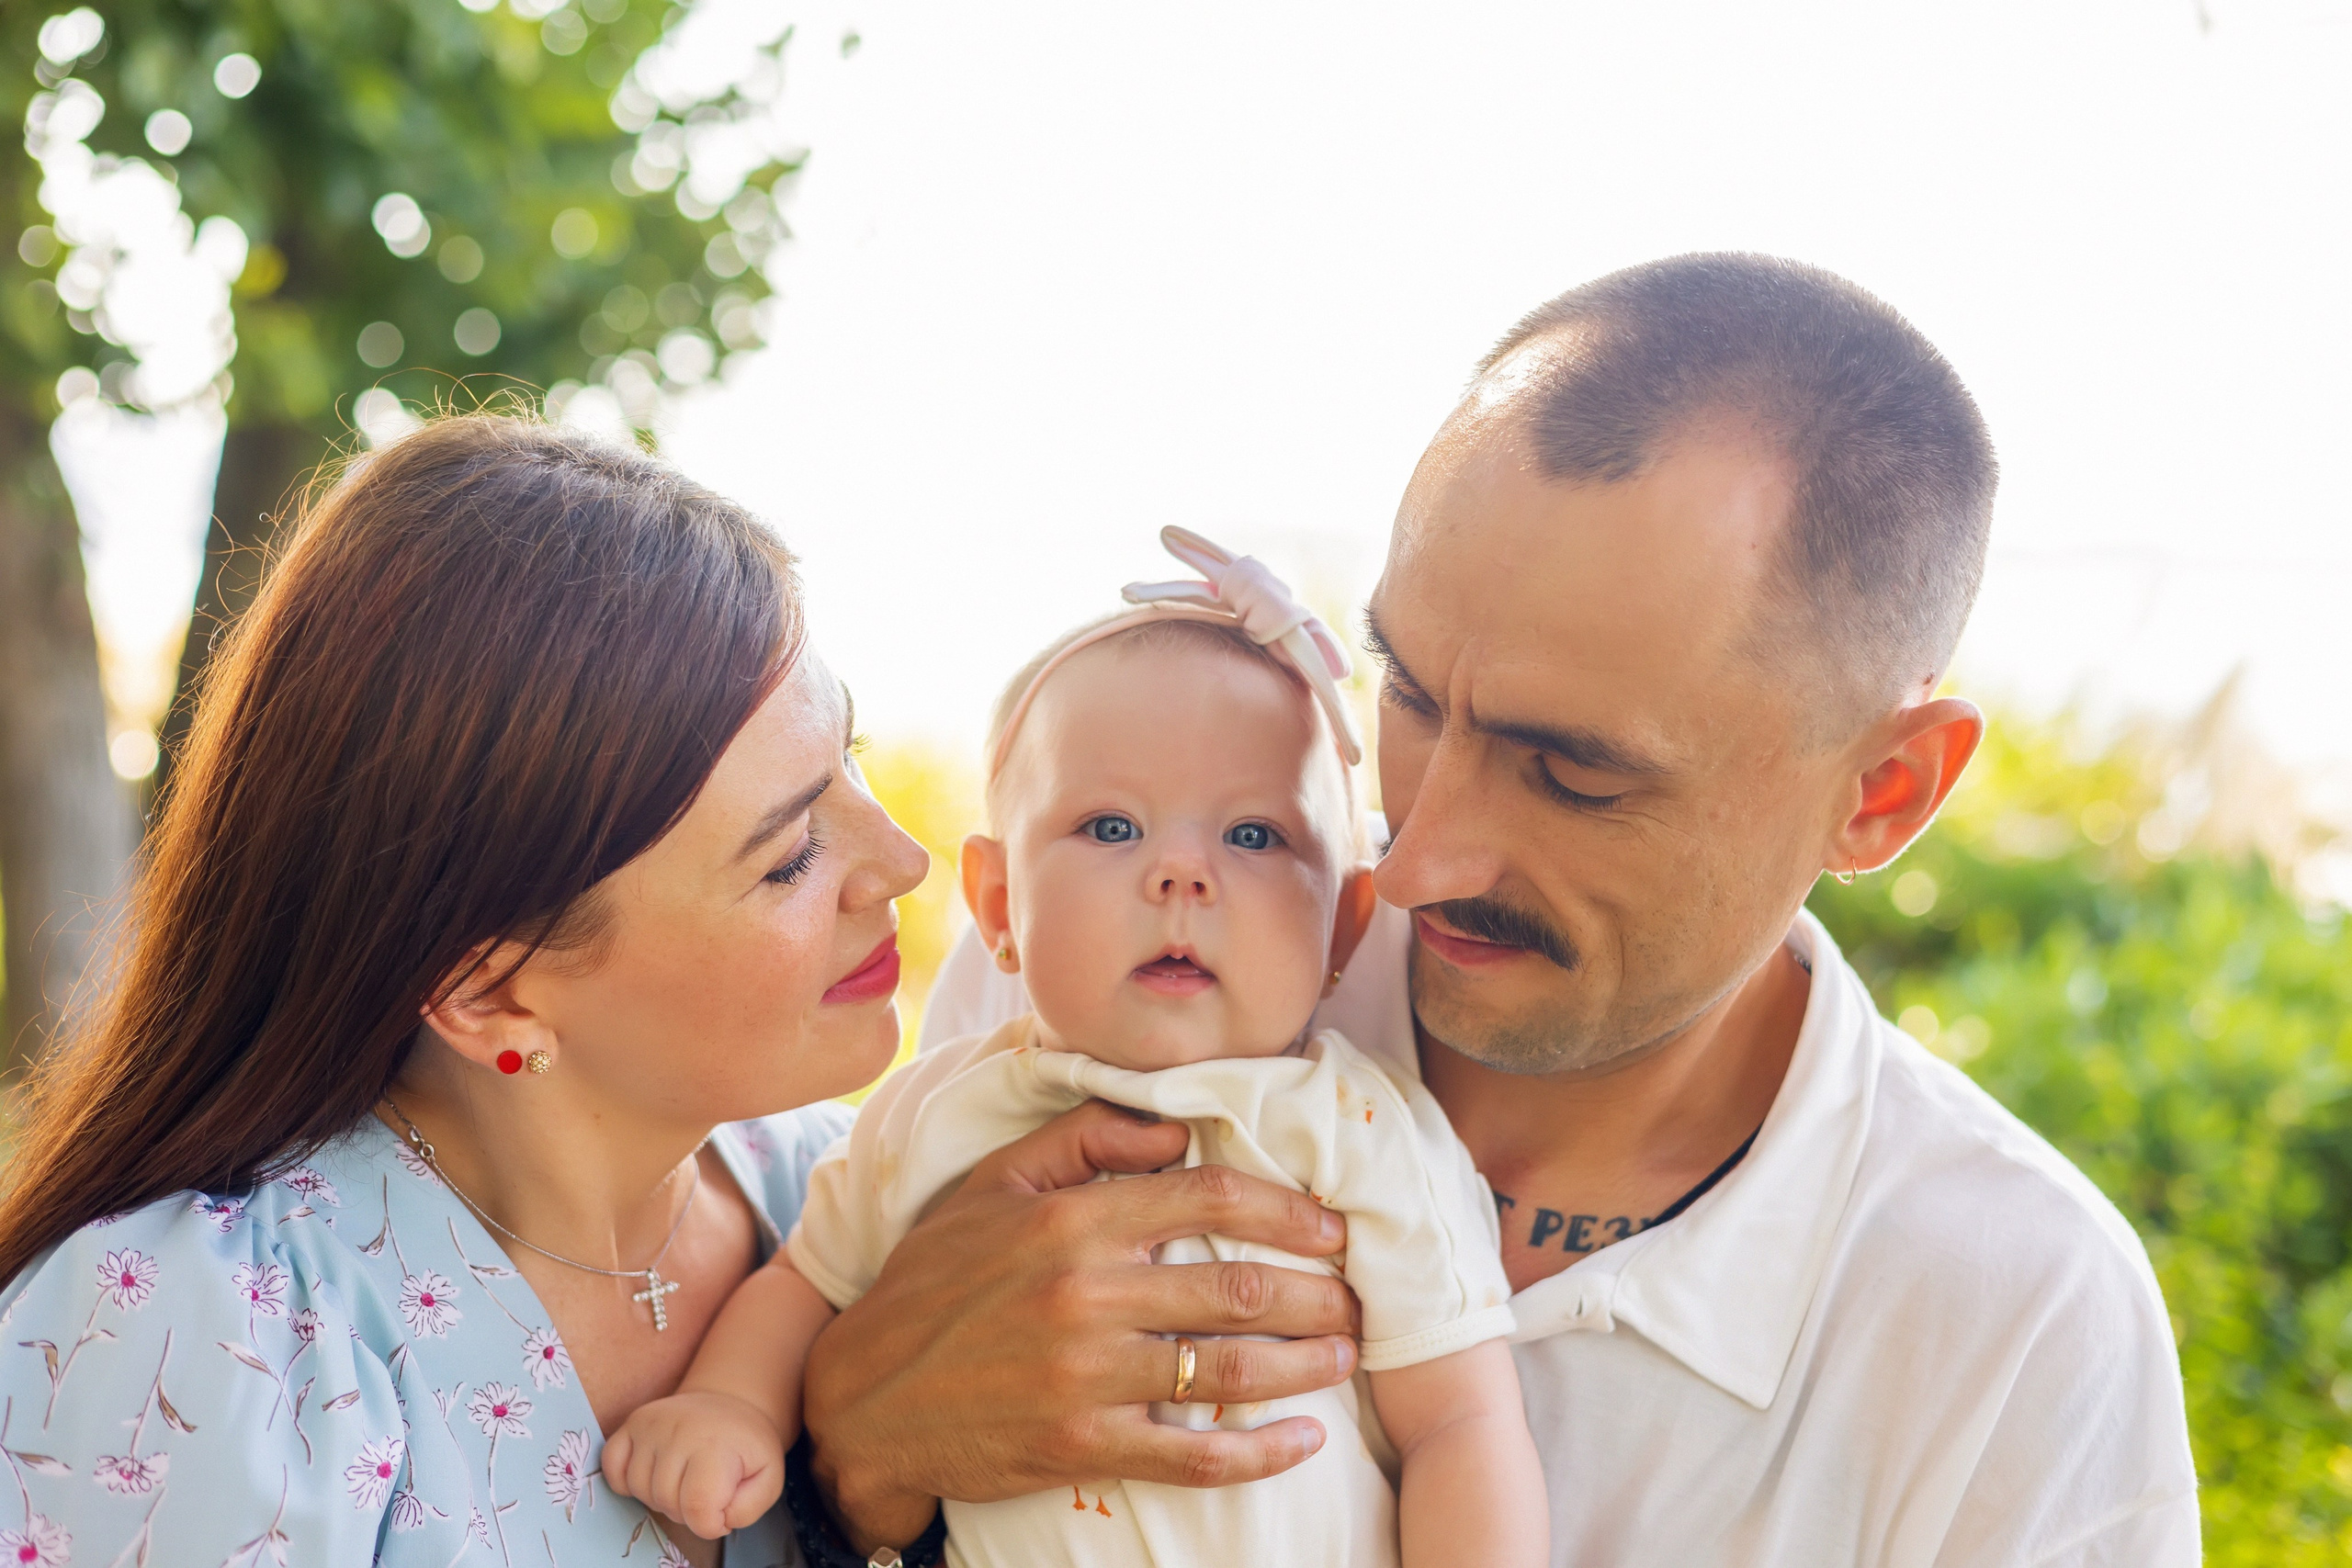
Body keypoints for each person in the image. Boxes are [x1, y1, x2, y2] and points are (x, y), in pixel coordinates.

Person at [796, 254, 2202, 1566]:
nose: (1416, 860)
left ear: (1883, 790)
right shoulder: (1109, 954)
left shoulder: (2021, 1319)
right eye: (1408, 690)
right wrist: (855, 1443)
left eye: (1574, 769)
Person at [0, 415, 958, 1567]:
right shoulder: (201, 1340)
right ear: (490, 994)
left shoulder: (869, 1204)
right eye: (791, 853)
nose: (903, 860)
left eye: (846, 756)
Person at [603, 528, 1545, 1567]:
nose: (1181, 877)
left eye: (1252, 837)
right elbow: (803, 1287)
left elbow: (1460, 1423)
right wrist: (731, 1405)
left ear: (1345, 928)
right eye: (1109, 828)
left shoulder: (1360, 1132)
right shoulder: (938, 1111)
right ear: (1000, 904)